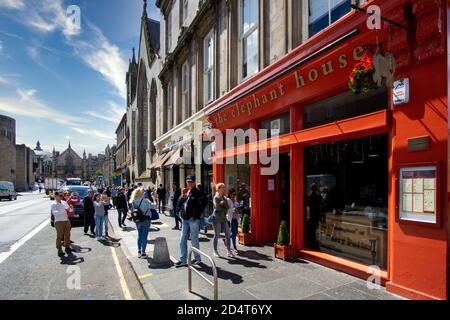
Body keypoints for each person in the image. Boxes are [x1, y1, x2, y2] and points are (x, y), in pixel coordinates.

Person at [175, 176, 205, 268]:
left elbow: (204, 203)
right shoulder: (186, 191)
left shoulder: (198, 192)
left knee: (194, 239)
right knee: (182, 239)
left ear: (194, 182)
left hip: (193, 219)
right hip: (185, 219)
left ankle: (197, 258)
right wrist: (178, 211)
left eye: (191, 181)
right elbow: (181, 202)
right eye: (188, 181)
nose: (190, 183)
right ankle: (183, 259)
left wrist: (196, 215)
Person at [130, 188, 155, 258]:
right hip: (146, 219)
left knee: (139, 235)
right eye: (143, 192)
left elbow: (131, 210)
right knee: (144, 236)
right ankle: (143, 253)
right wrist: (154, 199)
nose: (144, 193)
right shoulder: (145, 200)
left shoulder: (132, 201)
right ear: (141, 193)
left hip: (137, 219)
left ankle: (139, 251)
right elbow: (154, 206)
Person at [212, 183, 232, 258]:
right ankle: (215, 251)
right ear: (218, 188)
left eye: (224, 187)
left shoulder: (224, 197)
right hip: (217, 219)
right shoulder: (216, 197)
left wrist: (223, 205)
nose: (224, 189)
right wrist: (222, 206)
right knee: (217, 235)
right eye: (222, 188)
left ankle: (229, 251)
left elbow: (227, 207)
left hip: (224, 219)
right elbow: (217, 208)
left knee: (228, 235)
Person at [51, 192, 72, 257]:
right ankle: (59, 250)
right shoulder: (53, 204)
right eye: (60, 195)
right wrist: (63, 210)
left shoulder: (64, 202)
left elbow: (69, 210)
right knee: (59, 236)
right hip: (58, 222)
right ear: (56, 196)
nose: (61, 197)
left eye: (62, 195)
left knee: (67, 235)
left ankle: (67, 247)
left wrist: (71, 208)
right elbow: (55, 213)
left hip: (66, 220)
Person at [227, 189, 240, 255]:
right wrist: (233, 209)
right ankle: (234, 247)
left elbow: (237, 210)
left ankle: (227, 240)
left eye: (235, 194)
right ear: (230, 194)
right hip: (231, 218)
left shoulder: (235, 201)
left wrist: (238, 209)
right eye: (233, 194)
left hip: (235, 218)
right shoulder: (228, 200)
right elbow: (227, 209)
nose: (234, 196)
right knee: (234, 232)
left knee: (235, 232)